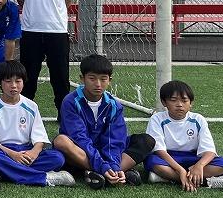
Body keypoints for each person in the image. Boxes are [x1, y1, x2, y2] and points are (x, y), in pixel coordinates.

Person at [52, 54, 154, 190]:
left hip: (103, 152)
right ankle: (112, 172)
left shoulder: (114, 105)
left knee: (146, 141)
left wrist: (113, 165)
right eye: (92, 78)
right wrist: (102, 165)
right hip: (81, 151)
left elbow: (114, 140)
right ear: (82, 78)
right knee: (61, 142)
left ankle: (111, 172)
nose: (98, 84)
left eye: (103, 79)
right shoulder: (70, 102)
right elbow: (79, 138)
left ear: (109, 80)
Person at [13, 0, 78, 115]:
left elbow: (67, 1)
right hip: (30, 31)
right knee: (28, 77)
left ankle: (64, 115)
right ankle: (23, 114)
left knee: (60, 77)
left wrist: (53, 15)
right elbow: (21, 0)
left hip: (57, 32)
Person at [0, 61, 74, 187]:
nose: (13, 86)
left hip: (26, 151)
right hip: (2, 151)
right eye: (8, 81)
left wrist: (33, 153)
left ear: (24, 82)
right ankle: (45, 178)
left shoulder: (31, 106)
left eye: (18, 81)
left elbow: (39, 139)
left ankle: (3, 172)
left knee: (58, 158)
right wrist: (13, 155)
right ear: (0, 82)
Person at [145, 80, 223, 191]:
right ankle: (206, 182)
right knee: (152, 161)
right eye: (173, 100)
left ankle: (166, 178)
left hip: (193, 158)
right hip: (168, 157)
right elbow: (159, 150)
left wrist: (199, 166)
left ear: (191, 103)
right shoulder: (157, 119)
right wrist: (180, 170)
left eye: (184, 100)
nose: (179, 105)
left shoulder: (198, 119)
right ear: (164, 102)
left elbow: (210, 151)